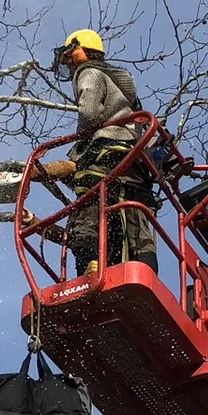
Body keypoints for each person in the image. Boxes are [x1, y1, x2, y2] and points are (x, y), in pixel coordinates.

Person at [40, 29, 161, 274]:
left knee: (89, 201)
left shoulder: (89, 72)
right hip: (131, 160)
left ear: (80, 51)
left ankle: (89, 262)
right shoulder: (122, 89)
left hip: (104, 149)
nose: (70, 65)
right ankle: (144, 268)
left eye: (69, 58)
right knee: (132, 210)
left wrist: (80, 146)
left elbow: (89, 114)